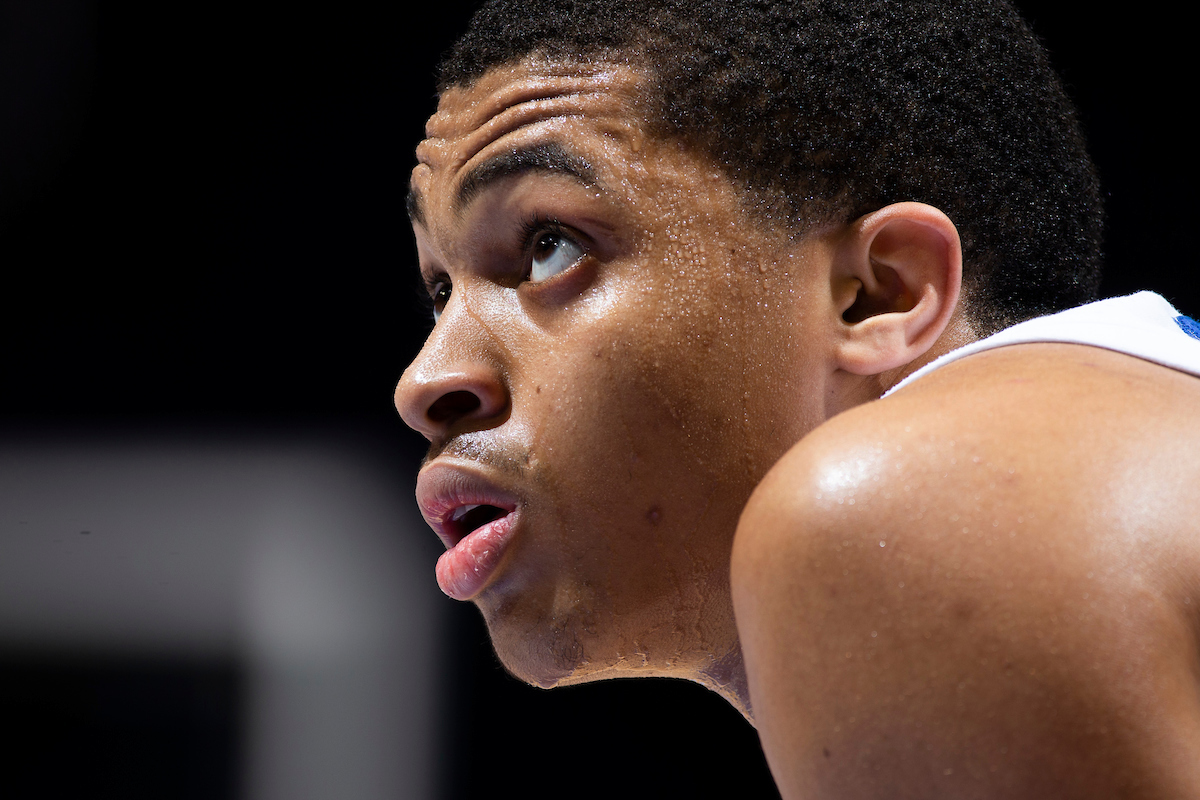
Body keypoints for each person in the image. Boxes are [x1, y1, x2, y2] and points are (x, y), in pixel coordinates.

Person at [395, 0, 1200, 795]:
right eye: (439, 290)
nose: (424, 382)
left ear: (879, 294)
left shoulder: (916, 507)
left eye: (549, 248)